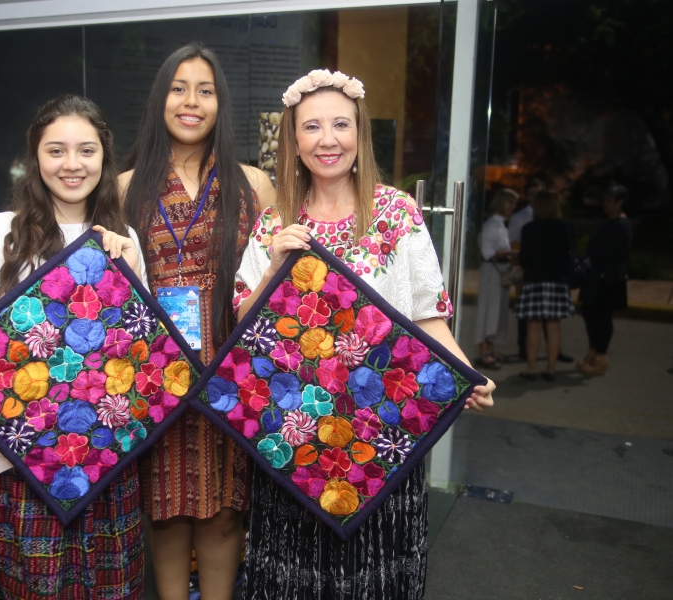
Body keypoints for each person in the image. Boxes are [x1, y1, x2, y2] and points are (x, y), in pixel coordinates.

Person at [232, 68, 495, 600]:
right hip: (296, 435)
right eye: (311, 127)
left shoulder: (396, 212)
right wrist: (273, 268)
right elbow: (243, 333)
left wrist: (465, 371)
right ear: (294, 140)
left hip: (382, 430)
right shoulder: (274, 223)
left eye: (340, 124)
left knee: (376, 573)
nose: (327, 139)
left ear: (360, 133)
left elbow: (427, 313)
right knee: (294, 577)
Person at [0, 95, 149, 599]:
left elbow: (140, 352)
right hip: (16, 449)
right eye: (56, 150)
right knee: (28, 583)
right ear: (35, 157)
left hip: (100, 450)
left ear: (104, 158)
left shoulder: (121, 238)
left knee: (107, 583)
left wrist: (126, 271)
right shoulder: (1, 231)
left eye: (86, 150)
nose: (71, 164)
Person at [120, 43, 275, 600]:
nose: (191, 102)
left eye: (205, 91)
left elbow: (275, 279)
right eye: (178, 89)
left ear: (220, 103)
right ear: (159, 99)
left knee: (226, 512)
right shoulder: (124, 187)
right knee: (163, 511)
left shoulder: (253, 184)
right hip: (155, 376)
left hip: (230, 375)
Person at [508, 177, 574, 363]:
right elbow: (570, 253)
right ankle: (551, 368)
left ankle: (531, 368)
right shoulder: (564, 227)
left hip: (534, 280)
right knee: (554, 326)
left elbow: (524, 258)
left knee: (533, 326)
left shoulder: (529, 229)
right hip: (557, 281)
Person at [577, 184, 632, 376]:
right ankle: (593, 352)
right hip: (596, 277)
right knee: (590, 313)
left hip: (606, 279)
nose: (605, 204)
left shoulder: (621, 225)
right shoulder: (609, 223)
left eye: (610, 200)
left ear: (620, 203)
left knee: (601, 317)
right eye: (605, 200)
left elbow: (606, 254)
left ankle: (600, 357)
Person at [474, 188, 519, 369]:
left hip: (499, 270)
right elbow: (488, 253)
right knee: (489, 309)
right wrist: (513, 252)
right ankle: (483, 350)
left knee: (497, 311)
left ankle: (490, 347)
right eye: (510, 203)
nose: (513, 207)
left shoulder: (500, 224)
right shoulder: (492, 225)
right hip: (492, 271)